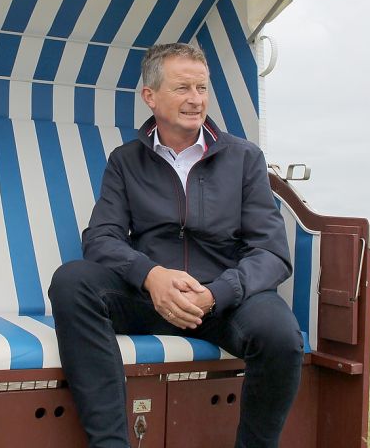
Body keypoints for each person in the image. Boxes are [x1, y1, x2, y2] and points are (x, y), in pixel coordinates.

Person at [49, 43, 303, 448]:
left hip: (223, 300)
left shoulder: (245, 158)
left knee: (281, 334)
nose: (196, 99)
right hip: (147, 297)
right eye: (183, 88)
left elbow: (271, 252)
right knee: (71, 281)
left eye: (202, 88)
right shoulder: (125, 161)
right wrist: (151, 276)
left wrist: (217, 294)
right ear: (150, 96)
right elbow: (100, 238)